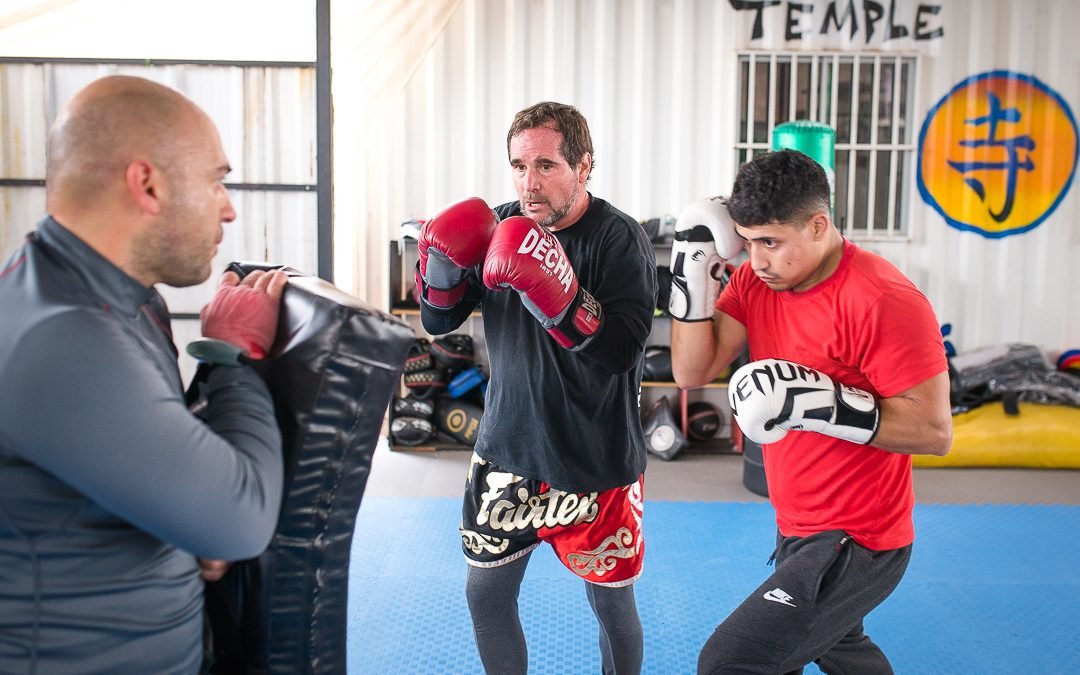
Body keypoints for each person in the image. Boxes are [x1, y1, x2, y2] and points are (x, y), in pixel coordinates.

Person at [0, 75, 288, 674]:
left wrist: (187, 531)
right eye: (216, 181)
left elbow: (139, 456)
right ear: (148, 184)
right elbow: (239, 520)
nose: (229, 208)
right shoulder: (64, 335)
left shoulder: (125, 301)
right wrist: (231, 351)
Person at [668, 149, 953, 674]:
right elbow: (691, 372)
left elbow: (935, 431)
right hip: (797, 522)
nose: (755, 261)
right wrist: (691, 268)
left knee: (732, 661)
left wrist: (823, 405)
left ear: (819, 224)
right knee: (839, 647)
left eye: (771, 242)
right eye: (747, 241)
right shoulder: (758, 283)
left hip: (857, 539)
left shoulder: (882, 299)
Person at [415, 102, 658, 673]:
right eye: (519, 166)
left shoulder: (620, 240)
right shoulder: (496, 225)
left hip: (595, 461)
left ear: (584, 165)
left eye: (546, 165)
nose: (530, 183)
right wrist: (441, 274)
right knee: (485, 596)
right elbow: (437, 323)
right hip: (507, 451)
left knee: (612, 608)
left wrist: (562, 298)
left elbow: (624, 350)